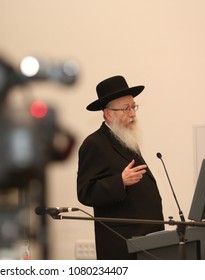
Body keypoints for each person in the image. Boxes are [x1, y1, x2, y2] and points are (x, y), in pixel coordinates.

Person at [77, 75, 164, 260]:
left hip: (147, 242)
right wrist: (120, 181)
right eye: (126, 109)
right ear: (108, 113)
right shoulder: (94, 143)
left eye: (133, 107)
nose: (133, 113)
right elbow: (85, 192)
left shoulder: (127, 139)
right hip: (122, 245)